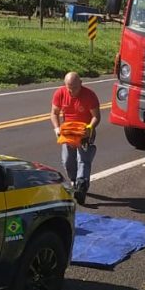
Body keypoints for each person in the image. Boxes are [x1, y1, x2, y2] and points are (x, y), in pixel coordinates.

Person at [50, 72, 101, 205]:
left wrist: (90, 128)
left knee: (83, 160)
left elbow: (96, 116)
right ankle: (74, 180)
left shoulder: (89, 95)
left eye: (75, 88)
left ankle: (81, 186)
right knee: (67, 160)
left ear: (81, 83)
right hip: (69, 132)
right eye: (69, 88)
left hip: (85, 132)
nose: (72, 92)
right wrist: (57, 128)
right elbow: (54, 113)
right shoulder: (60, 93)